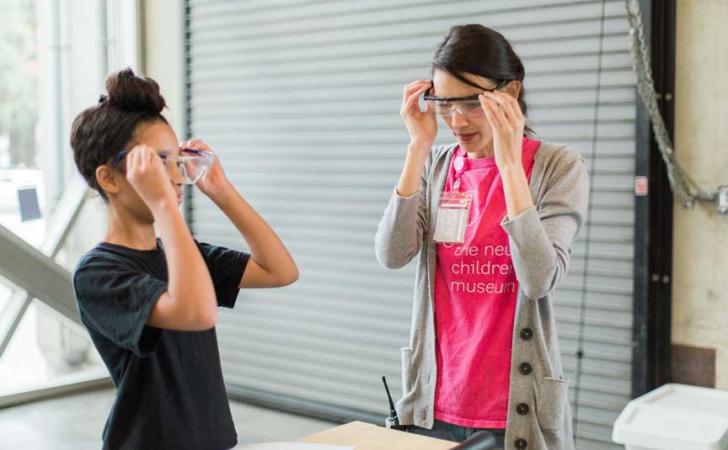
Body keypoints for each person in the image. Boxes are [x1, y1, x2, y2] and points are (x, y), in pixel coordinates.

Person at [375, 24, 588, 450]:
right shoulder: (437, 166)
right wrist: (416, 148)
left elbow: (539, 279)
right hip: (433, 404)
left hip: (514, 413)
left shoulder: (558, 167)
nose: (455, 121)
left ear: (509, 93)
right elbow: (392, 254)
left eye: (470, 103)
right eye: (444, 104)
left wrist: (509, 165)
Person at [71, 68, 298, 450]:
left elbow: (281, 270)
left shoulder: (181, 253)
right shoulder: (98, 273)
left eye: (177, 161)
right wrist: (163, 206)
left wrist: (221, 189)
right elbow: (196, 312)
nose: (175, 176)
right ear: (109, 179)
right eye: (157, 162)